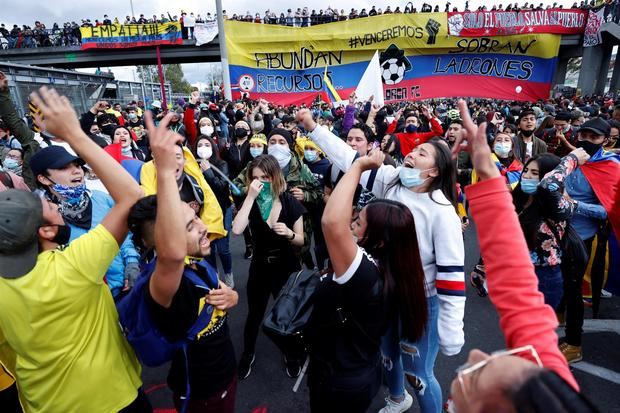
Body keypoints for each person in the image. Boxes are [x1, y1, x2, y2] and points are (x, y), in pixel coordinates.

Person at [298, 109, 465, 413]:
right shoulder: (391, 180)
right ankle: (397, 399)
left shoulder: (443, 212)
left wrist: (451, 329)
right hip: (385, 294)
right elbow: (350, 159)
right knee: (388, 353)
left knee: (420, 374)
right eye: (413, 149)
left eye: (422, 153)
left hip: (421, 300)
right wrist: (313, 128)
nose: (411, 154)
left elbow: (452, 276)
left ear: (435, 171)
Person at [445, 98, 597, 413]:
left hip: (551, 274)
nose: (475, 357)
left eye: (478, 381)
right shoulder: (547, 385)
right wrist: (487, 173)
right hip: (527, 272)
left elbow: (548, 190)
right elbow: (525, 310)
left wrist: (571, 159)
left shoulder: (558, 201)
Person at [0, 87, 147, 412]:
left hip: (45, 403)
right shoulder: (75, 267)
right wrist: (75, 134)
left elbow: (7, 353)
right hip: (112, 396)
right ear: (47, 230)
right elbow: (134, 198)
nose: (46, 203)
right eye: (41, 207)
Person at [127, 112, 238, 413]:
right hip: (200, 390)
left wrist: (232, 296)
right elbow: (173, 250)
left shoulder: (198, 263)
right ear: (161, 241)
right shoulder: (164, 283)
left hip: (225, 373)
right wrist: (163, 170)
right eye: (188, 226)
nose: (202, 227)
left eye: (195, 218)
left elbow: (220, 296)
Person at [307, 148, 427, 413]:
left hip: (339, 380)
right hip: (359, 370)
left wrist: (359, 166)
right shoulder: (392, 266)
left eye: (358, 223)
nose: (351, 223)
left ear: (380, 239)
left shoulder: (364, 272)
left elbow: (330, 223)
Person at [30, 145, 142, 299]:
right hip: (89, 300)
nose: (76, 171)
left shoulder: (101, 198)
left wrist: (132, 261)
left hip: (127, 287)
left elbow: (124, 233)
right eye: (63, 167)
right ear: (43, 178)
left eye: (77, 165)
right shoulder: (46, 218)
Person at [232, 155, 306, 380]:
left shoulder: (289, 201)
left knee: (287, 314)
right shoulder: (251, 200)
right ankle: (248, 353)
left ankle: (291, 354)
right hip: (260, 265)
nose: (260, 182)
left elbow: (301, 239)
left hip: (286, 266)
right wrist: (250, 197)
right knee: (254, 314)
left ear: (275, 176)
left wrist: (290, 234)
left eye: (265, 177)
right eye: (255, 178)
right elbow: (236, 230)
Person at [561, 117, 620, 363]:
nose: (586, 141)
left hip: (583, 239)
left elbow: (608, 212)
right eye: (583, 135)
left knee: (574, 291)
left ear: (606, 140)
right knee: (559, 281)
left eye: (593, 137)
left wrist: (573, 205)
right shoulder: (572, 158)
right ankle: (559, 318)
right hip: (557, 233)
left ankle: (574, 345)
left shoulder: (611, 168)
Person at [512, 150, 589, 309]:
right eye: (525, 170)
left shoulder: (561, 206)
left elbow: (548, 186)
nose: (526, 176)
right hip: (515, 275)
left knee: (534, 330)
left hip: (543, 277)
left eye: (535, 173)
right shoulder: (518, 200)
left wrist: (571, 159)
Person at [195, 135, 234, 288]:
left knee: (223, 249)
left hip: (222, 211)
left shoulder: (221, 164)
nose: (203, 148)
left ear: (213, 148)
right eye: (200, 145)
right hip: (202, 214)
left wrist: (208, 171)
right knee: (208, 248)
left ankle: (228, 274)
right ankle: (214, 276)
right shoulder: (191, 166)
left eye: (207, 144)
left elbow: (222, 187)